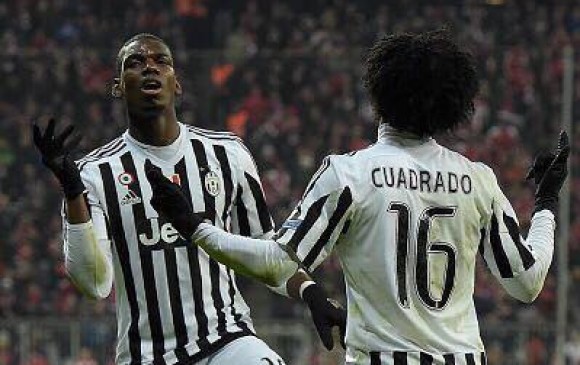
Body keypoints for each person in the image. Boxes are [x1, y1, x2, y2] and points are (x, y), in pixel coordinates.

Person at [145, 30, 569, 365]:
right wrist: (547, 201)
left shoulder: (349, 174)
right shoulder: (478, 179)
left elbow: (278, 261)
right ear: (451, 105)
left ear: (378, 96)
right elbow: (527, 282)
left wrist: (198, 228)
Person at [32, 33, 345, 365]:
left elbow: (266, 252)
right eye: (135, 63)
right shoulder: (94, 174)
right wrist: (72, 190)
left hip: (227, 340)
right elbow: (94, 283)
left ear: (176, 84)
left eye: (160, 61)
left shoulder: (228, 154)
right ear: (118, 87)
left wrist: (312, 293)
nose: (149, 68)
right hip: (146, 355)